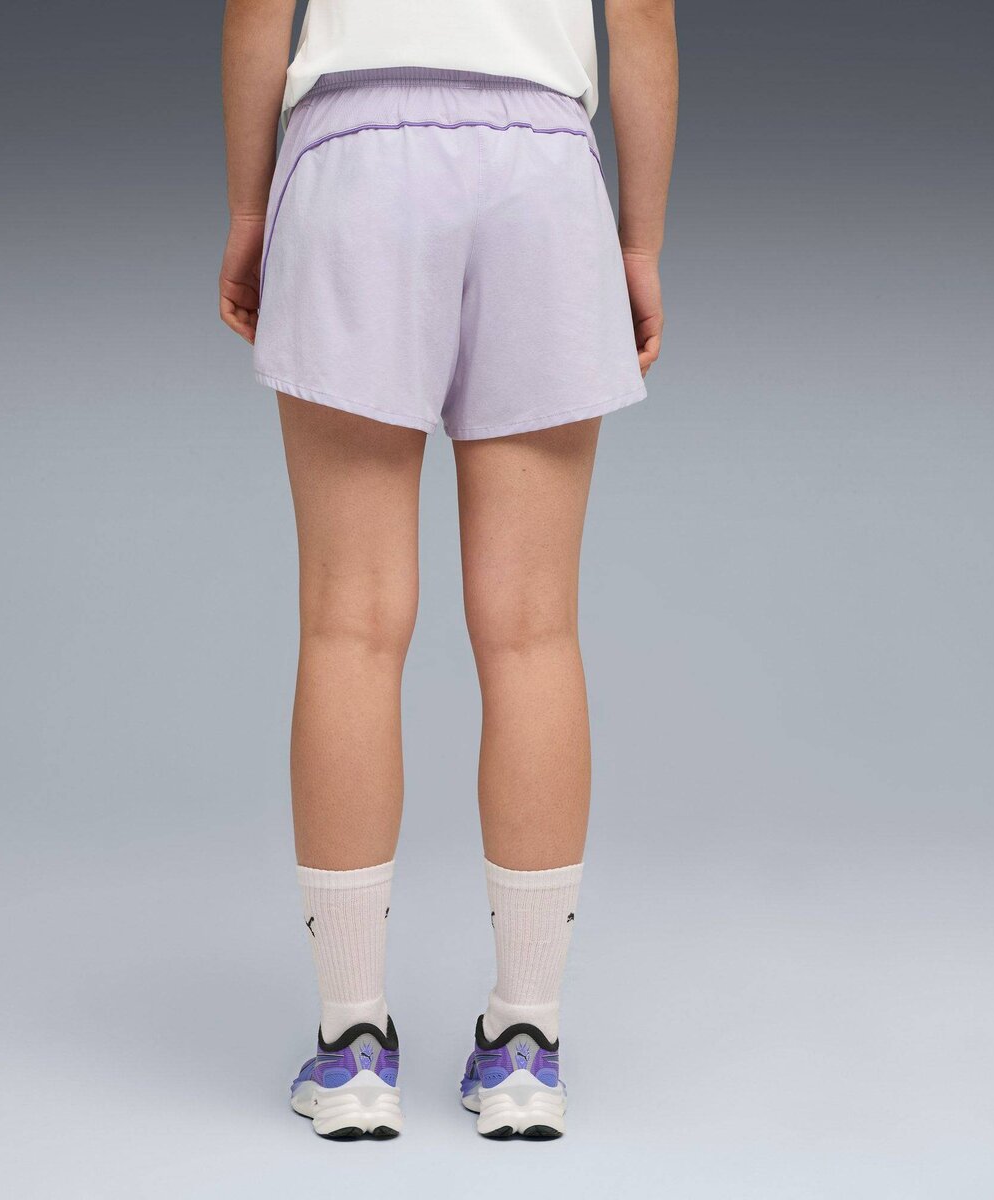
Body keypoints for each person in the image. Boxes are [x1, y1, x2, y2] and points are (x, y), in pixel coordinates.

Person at [219, 0, 677, 1140]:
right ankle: (526, 1046)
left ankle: (351, 1051)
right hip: (543, 175)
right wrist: (637, 246)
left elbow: (255, 10)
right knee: (531, 629)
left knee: (350, 622)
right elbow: (645, 16)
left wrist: (247, 212)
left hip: (354, 159)